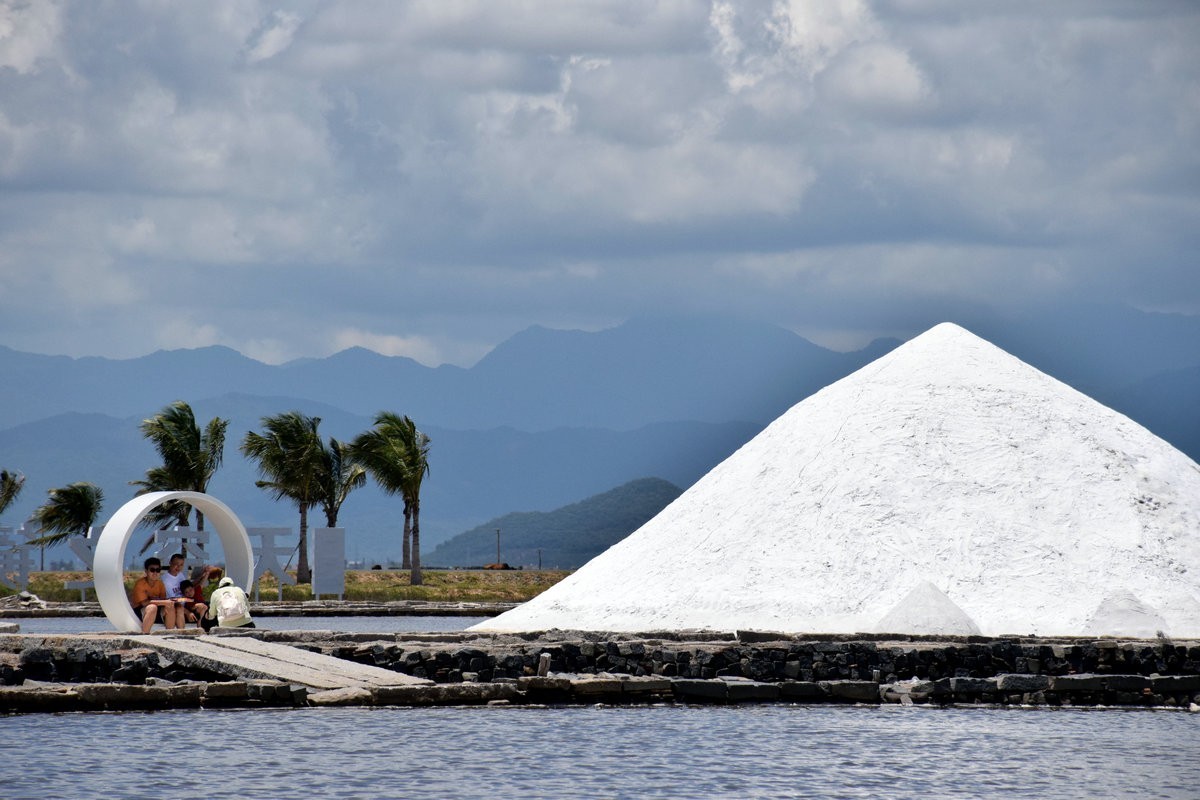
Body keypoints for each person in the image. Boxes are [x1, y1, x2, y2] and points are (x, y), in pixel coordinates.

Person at [129, 557, 180, 633]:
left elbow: (163, 600)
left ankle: (169, 633)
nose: (155, 573)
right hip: (139, 611)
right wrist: (163, 602)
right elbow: (144, 603)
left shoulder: (160, 584)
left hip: (155, 611)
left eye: (158, 570)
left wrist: (169, 602)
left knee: (170, 606)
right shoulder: (140, 584)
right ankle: (145, 634)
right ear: (146, 571)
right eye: (152, 570)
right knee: (152, 607)